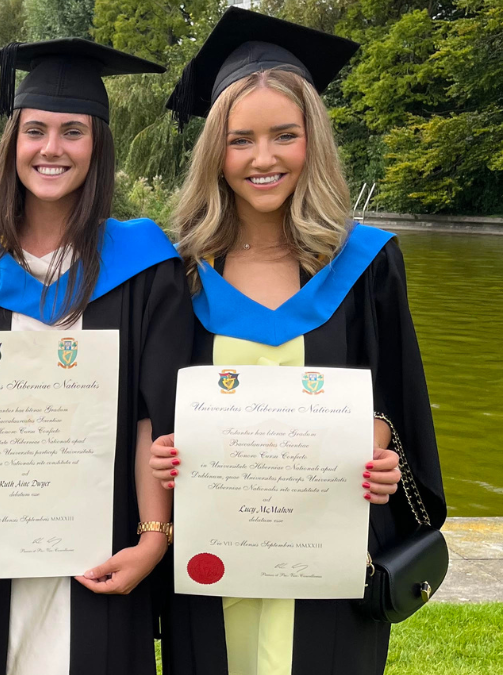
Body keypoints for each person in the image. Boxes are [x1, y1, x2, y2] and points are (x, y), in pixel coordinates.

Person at [154, 9, 443, 675]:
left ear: (312, 141)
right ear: (213, 152)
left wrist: (386, 459)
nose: (263, 158)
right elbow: (143, 406)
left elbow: (402, 413)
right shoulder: (179, 272)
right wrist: (162, 451)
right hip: (211, 566)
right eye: (240, 139)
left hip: (332, 569)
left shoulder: (367, 265)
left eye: (285, 135)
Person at [0, 39, 194, 675]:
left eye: (73, 131)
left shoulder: (146, 266)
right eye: (35, 130)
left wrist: (154, 540)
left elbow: (155, 414)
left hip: (100, 537)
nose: (52, 148)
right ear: (13, 142)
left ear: (98, 146)